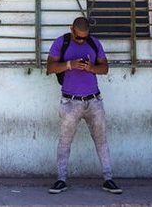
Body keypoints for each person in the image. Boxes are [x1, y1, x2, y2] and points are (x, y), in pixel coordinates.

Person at [46, 17, 122, 195]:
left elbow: (105, 68)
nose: (81, 40)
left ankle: (108, 179)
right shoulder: (61, 42)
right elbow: (49, 67)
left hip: (94, 101)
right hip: (70, 102)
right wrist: (69, 65)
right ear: (71, 29)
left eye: (85, 37)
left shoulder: (94, 43)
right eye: (79, 37)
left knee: (101, 141)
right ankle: (61, 179)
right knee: (65, 142)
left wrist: (91, 68)